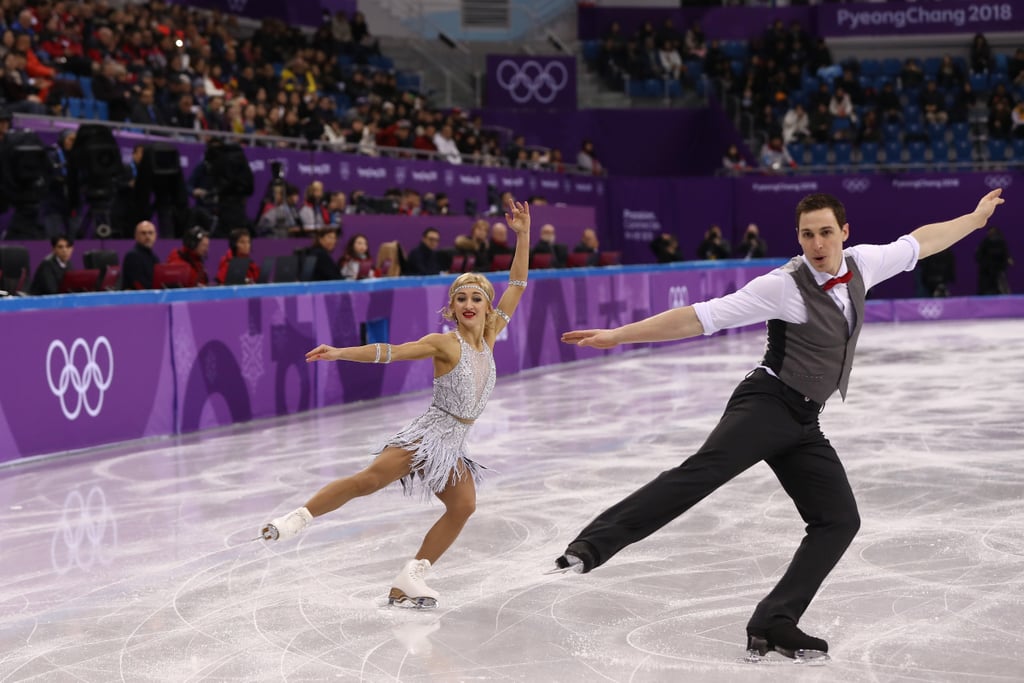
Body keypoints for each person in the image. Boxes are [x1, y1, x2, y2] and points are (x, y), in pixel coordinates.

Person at [551, 189, 1006, 661]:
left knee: (838, 520)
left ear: (844, 233)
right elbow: (700, 318)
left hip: (804, 420)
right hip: (766, 403)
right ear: (799, 238)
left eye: (826, 232)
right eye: (808, 234)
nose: (818, 243)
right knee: (703, 472)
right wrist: (618, 336)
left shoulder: (864, 264)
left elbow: (920, 242)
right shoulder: (783, 285)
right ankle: (591, 546)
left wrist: (974, 219)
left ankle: (774, 620)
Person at [259, 200, 532, 608]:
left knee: (463, 506)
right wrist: (340, 352)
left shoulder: (489, 337)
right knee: (368, 481)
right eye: (461, 299)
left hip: (453, 445)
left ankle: (410, 578)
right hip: (427, 436)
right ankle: (298, 517)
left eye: (477, 297)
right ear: (452, 308)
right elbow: (391, 351)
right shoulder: (444, 342)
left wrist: (523, 235)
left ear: (487, 308)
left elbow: (517, 285)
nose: (469, 303)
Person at [121, 220, 160, 290]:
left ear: (155, 236)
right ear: (136, 236)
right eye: (143, 233)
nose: (147, 236)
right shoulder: (132, 256)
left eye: (150, 233)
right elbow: (137, 284)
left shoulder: (154, 257)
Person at [975, 225, 1013, 295]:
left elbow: (1005, 254)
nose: (991, 233)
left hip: (998, 270)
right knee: (987, 287)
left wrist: (1006, 261)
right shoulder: (985, 242)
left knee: (1000, 286)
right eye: (990, 232)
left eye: (993, 232)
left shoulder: (1001, 243)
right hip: (987, 271)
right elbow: (979, 255)